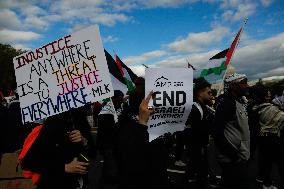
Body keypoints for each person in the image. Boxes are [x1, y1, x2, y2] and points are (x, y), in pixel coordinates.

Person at [113, 78, 170, 189]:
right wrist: (143, 123)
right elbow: (133, 160)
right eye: (152, 100)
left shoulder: (153, 121)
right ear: (141, 103)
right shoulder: (128, 125)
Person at [21, 106, 95, 189]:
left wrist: (84, 141)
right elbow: (29, 162)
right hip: (55, 183)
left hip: (79, 182)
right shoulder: (54, 121)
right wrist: (65, 167)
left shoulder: (80, 118)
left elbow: (93, 154)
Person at [212, 73, 251, 189]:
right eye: (243, 83)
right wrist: (233, 155)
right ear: (234, 86)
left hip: (238, 156)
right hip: (232, 158)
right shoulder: (227, 103)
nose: (247, 86)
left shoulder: (239, 102)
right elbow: (216, 132)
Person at [251, 85, 284, 189]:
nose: (269, 93)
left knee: (267, 163)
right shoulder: (271, 109)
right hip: (273, 139)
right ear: (264, 96)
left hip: (263, 138)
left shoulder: (254, 108)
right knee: (281, 163)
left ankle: (267, 183)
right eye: (267, 92)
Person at [184, 77, 214, 188]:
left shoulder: (202, 106)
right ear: (200, 93)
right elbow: (194, 129)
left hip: (201, 145)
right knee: (199, 169)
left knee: (196, 167)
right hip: (197, 145)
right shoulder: (195, 108)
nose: (211, 95)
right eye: (209, 92)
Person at [97, 90, 124, 188]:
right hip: (108, 146)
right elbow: (105, 132)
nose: (121, 102)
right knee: (112, 170)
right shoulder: (105, 112)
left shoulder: (116, 110)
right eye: (119, 100)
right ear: (113, 99)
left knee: (108, 169)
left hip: (114, 146)